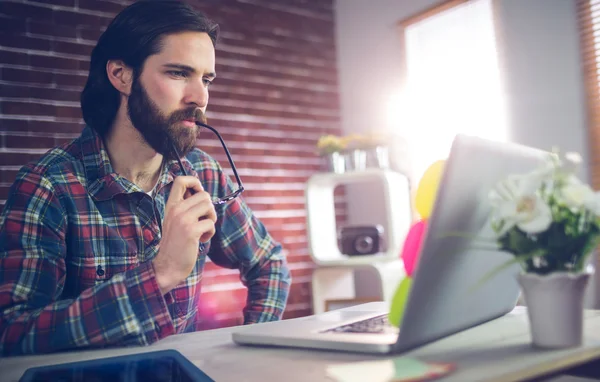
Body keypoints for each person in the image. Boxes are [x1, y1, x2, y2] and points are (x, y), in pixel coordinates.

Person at [0, 0, 291, 356]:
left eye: (206, 79)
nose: (199, 97)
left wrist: (253, 352)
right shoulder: (48, 186)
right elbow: (10, 334)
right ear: (121, 75)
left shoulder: (204, 175)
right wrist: (160, 273)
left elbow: (270, 263)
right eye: (178, 73)